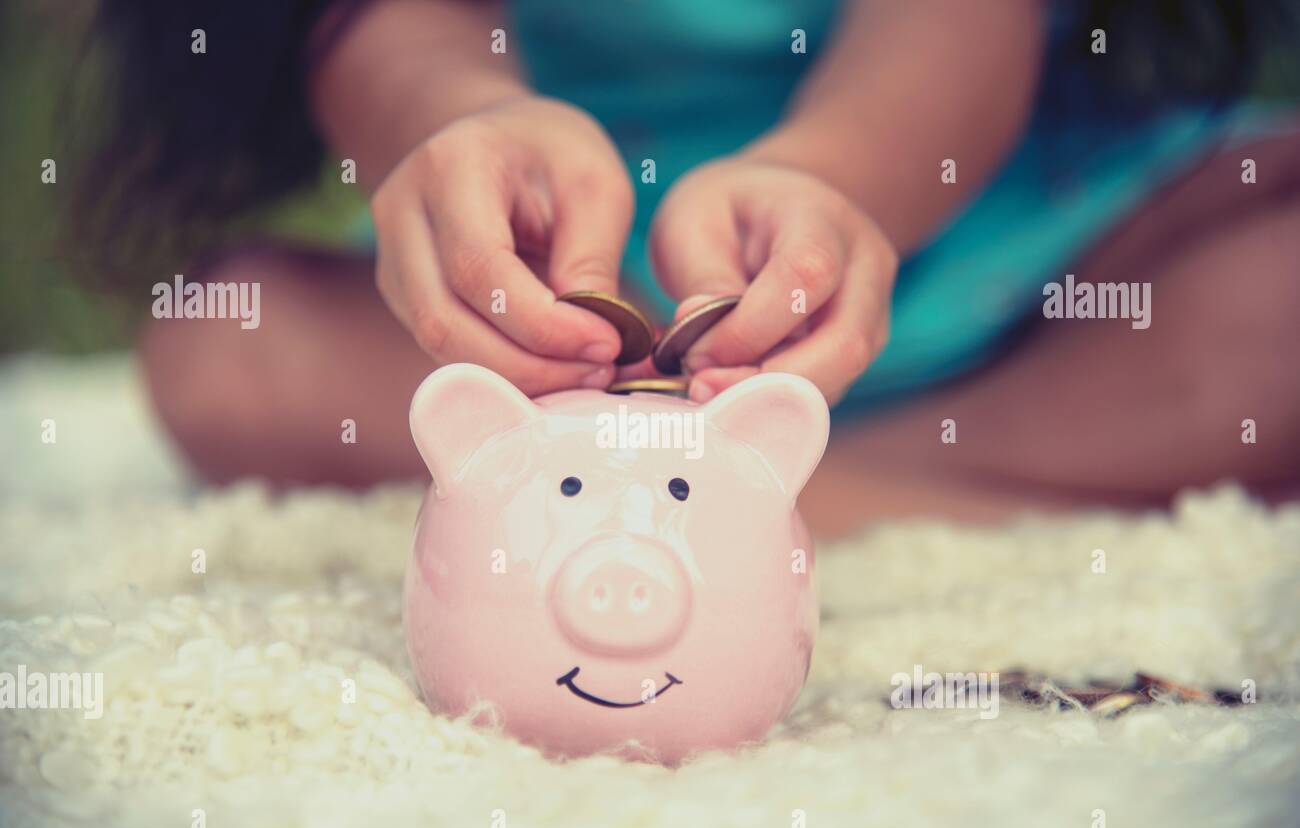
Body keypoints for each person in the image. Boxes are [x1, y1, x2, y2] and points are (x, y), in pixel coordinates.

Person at [76, 0, 1300, 536]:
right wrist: (452, 124)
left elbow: (953, 25)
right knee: (223, 347)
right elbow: (385, 20)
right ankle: (878, 495)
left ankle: (797, 492)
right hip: (559, 315)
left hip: (999, 232)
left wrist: (835, 183)